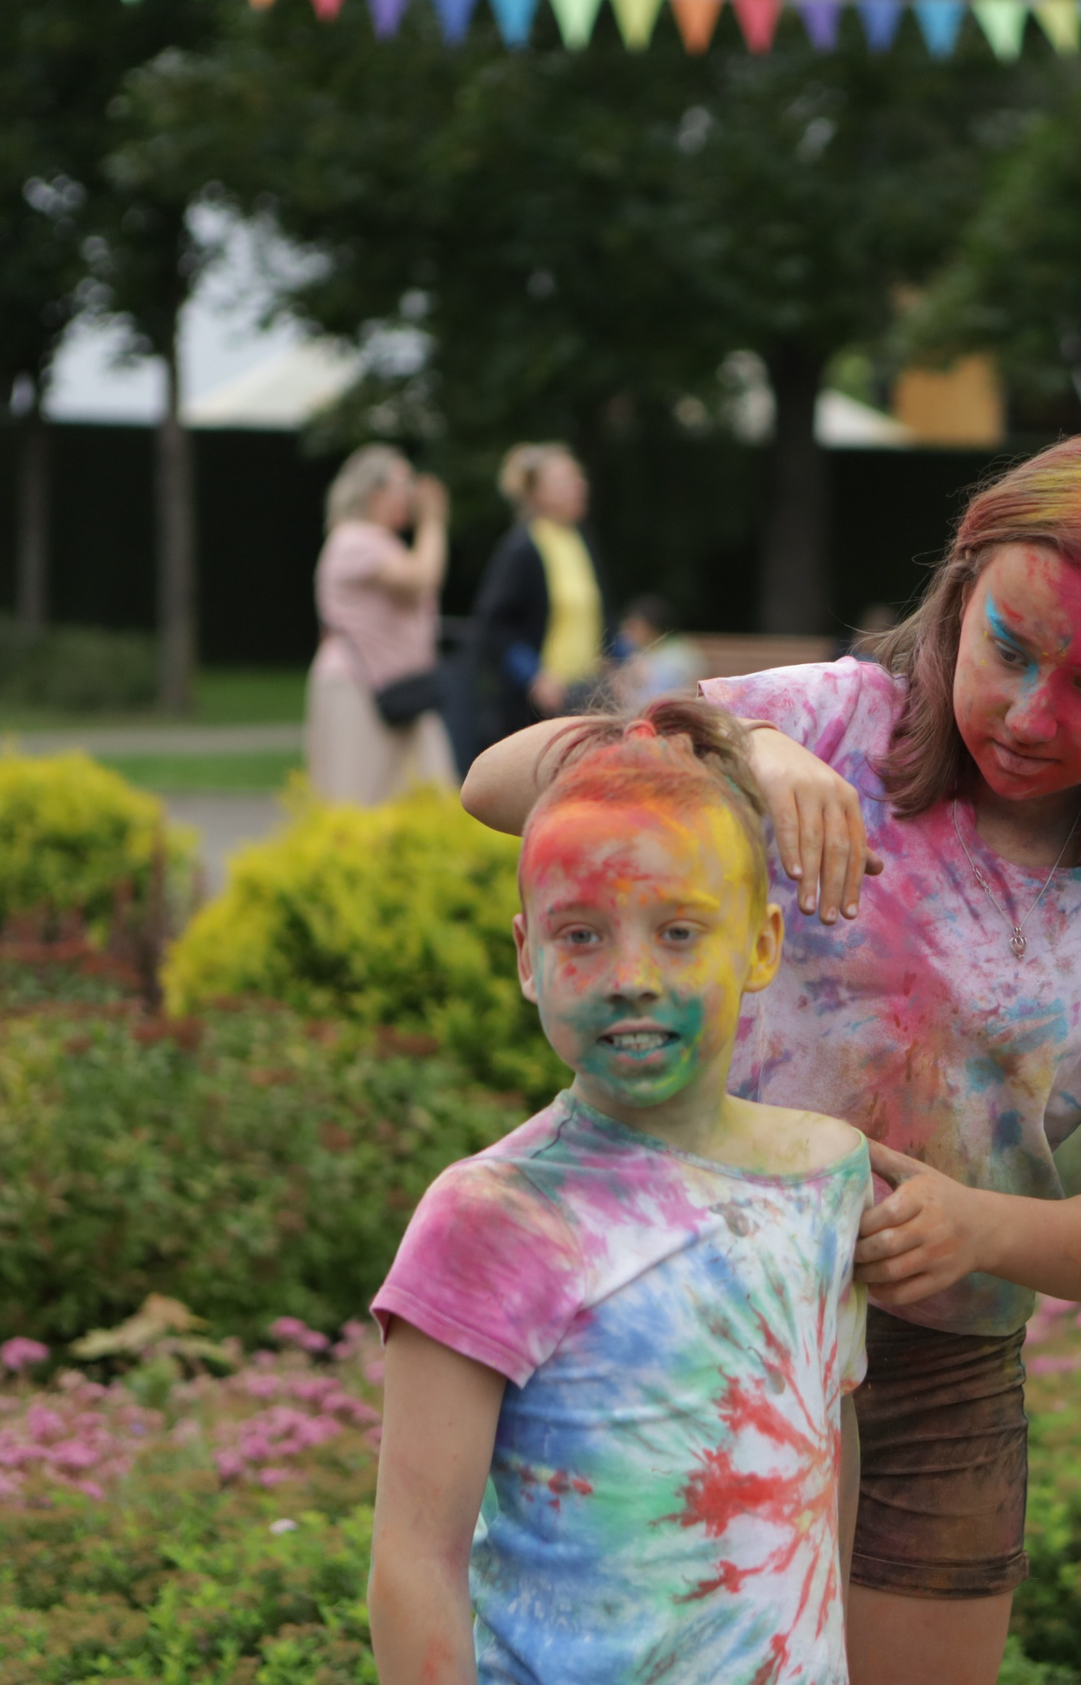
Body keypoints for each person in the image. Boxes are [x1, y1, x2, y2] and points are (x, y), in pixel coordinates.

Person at [463, 433, 1081, 1685]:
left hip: (941, 1386)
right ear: (958, 594)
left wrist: (975, 1227)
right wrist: (731, 757)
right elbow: (494, 784)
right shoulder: (829, 721)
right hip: (700, 1320)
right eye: (1010, 649)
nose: (1033, 714)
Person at [368, 699, 872, 1684]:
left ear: (761, 945)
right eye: (582, 935)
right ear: (527, 957)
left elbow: (821, 1456)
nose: (631, 976)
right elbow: (413, 1565)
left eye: (679, 932)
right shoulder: (492, 1217)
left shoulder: (826, 1176)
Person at [307, 444, 456, 806]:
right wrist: (433, 520)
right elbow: (422, 577)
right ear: (375, 494)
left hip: (402, 689)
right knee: (355, 801)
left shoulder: (380, 543)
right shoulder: (352, 540)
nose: (411, 496)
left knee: (433, 793)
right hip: (357, 688)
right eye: (403, 485)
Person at [469, 442, 606, 759]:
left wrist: (623, 655)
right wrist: (532, 675)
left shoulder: (580, 540)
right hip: (540, 703)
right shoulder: (522, 547)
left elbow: (601, 613)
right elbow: (495, 625)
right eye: (565, 480)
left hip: (584, 691)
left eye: (578, 477)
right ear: (538, 494)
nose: (579, 486)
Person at [608, 594, 708, 712]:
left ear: (650, 628)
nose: (627, 634)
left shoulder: (677, 657)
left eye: (633, 627)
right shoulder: (644, 652)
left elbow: (658, 701)